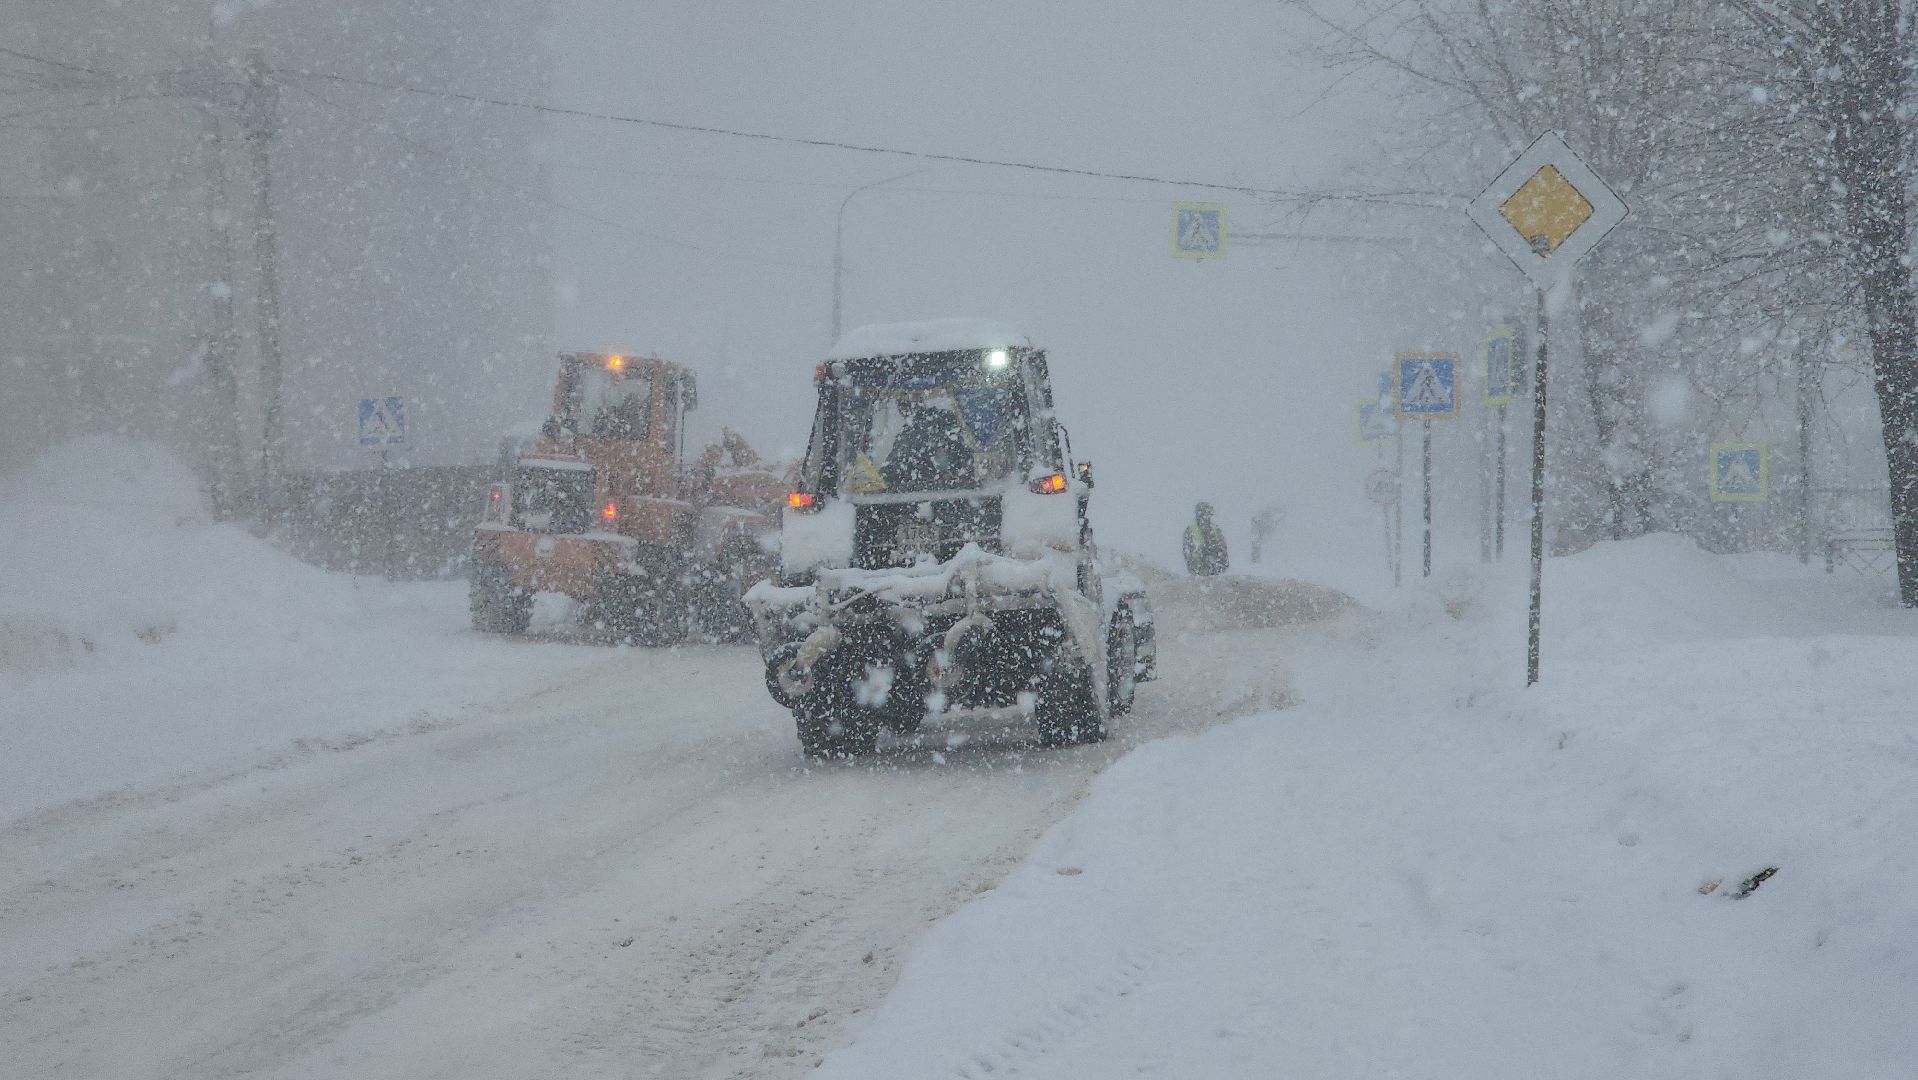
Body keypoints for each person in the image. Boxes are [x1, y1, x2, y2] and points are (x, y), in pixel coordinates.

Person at [1183, 501, 1229, 576]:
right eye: (1204, 514)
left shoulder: (1215, 529)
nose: (1206, 517)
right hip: (1198, 570)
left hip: (1215, 569)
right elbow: (1188, 552)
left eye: (1208, 514)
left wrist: (1219, 561)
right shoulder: (1191, 530)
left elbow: (1223, 548)